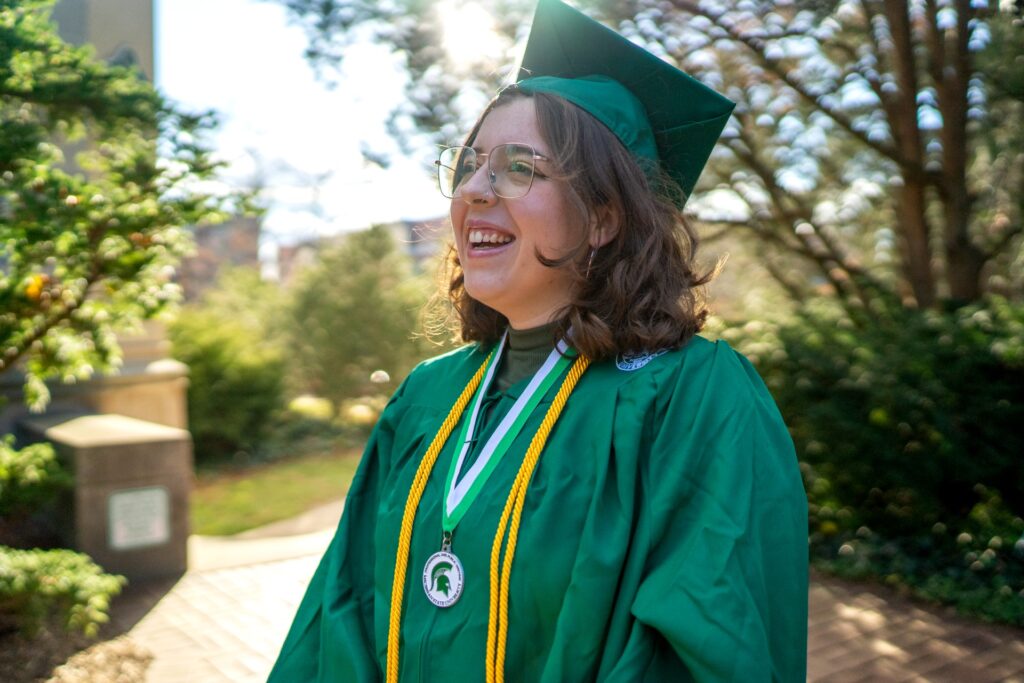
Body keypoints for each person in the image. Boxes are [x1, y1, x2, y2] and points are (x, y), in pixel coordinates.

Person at [268, 0, 808, 681]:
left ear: (605, 216)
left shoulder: (692, 397)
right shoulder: (427, 397)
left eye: (518, 167)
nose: (476, 191)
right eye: (469, 164)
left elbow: (708, 640)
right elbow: (338, 612)